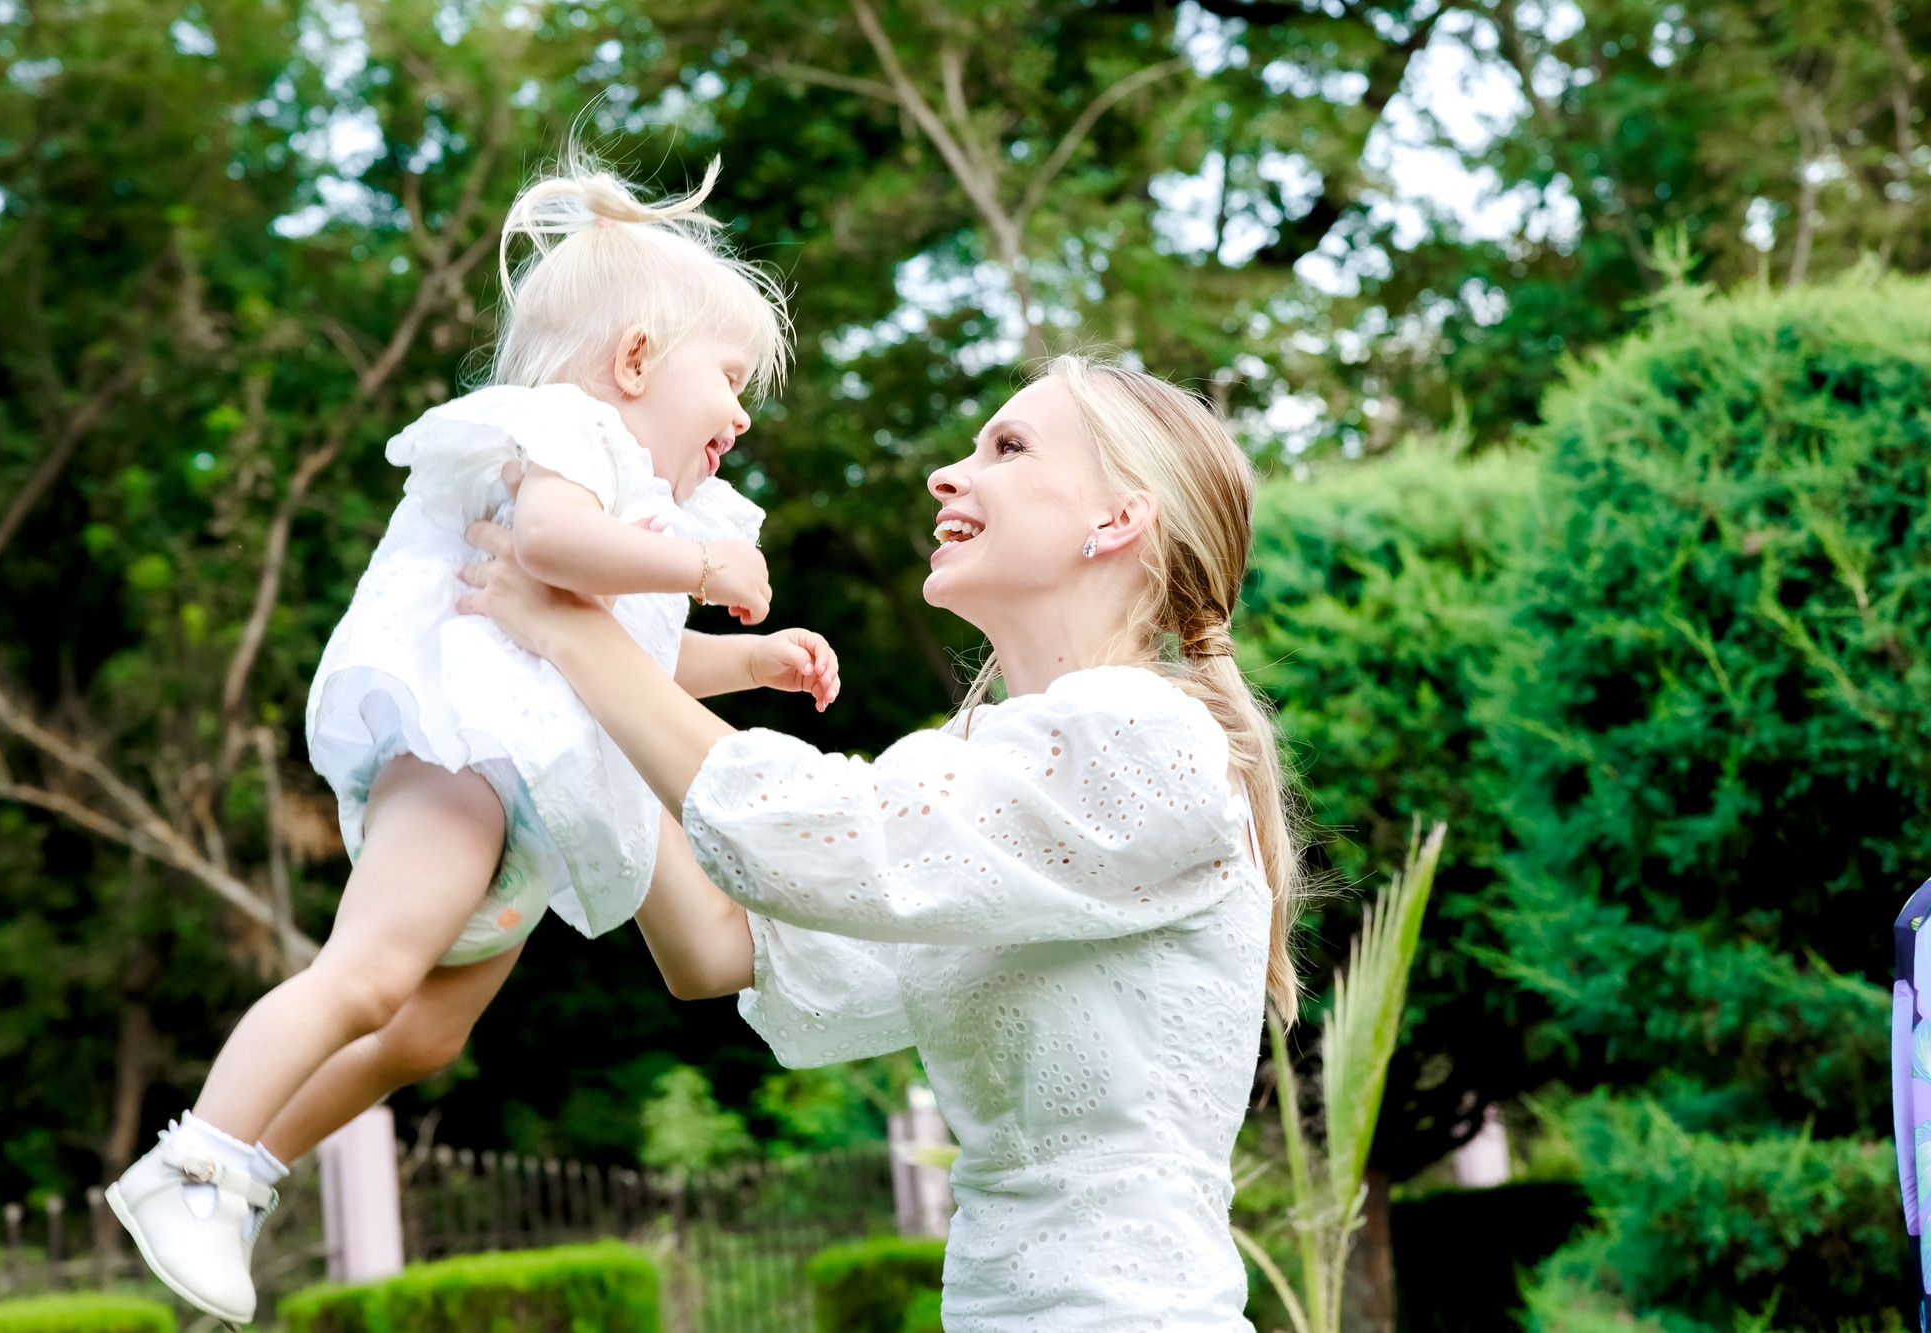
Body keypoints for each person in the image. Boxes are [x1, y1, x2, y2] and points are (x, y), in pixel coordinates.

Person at [106, 155, 839, 1326]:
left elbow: (624, 655)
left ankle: (241, 1174)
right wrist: (705, 565)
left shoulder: (641, 512)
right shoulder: (558, 437)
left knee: (423, 1036)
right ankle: (193, 1162)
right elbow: (549, 548)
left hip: (527, 814)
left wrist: (748, 660)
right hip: (462, 762)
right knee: (369, 976)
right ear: (638, 359)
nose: (742, 412)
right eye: (731, 377)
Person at [457, 354, 1304, 1331]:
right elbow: (722, 945)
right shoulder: (982, 767)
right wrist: (595, 665)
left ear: (1115, 520)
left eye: (1008, 446)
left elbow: (831, 840)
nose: (948, 473)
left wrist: (577, 633)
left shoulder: (1147, 743)